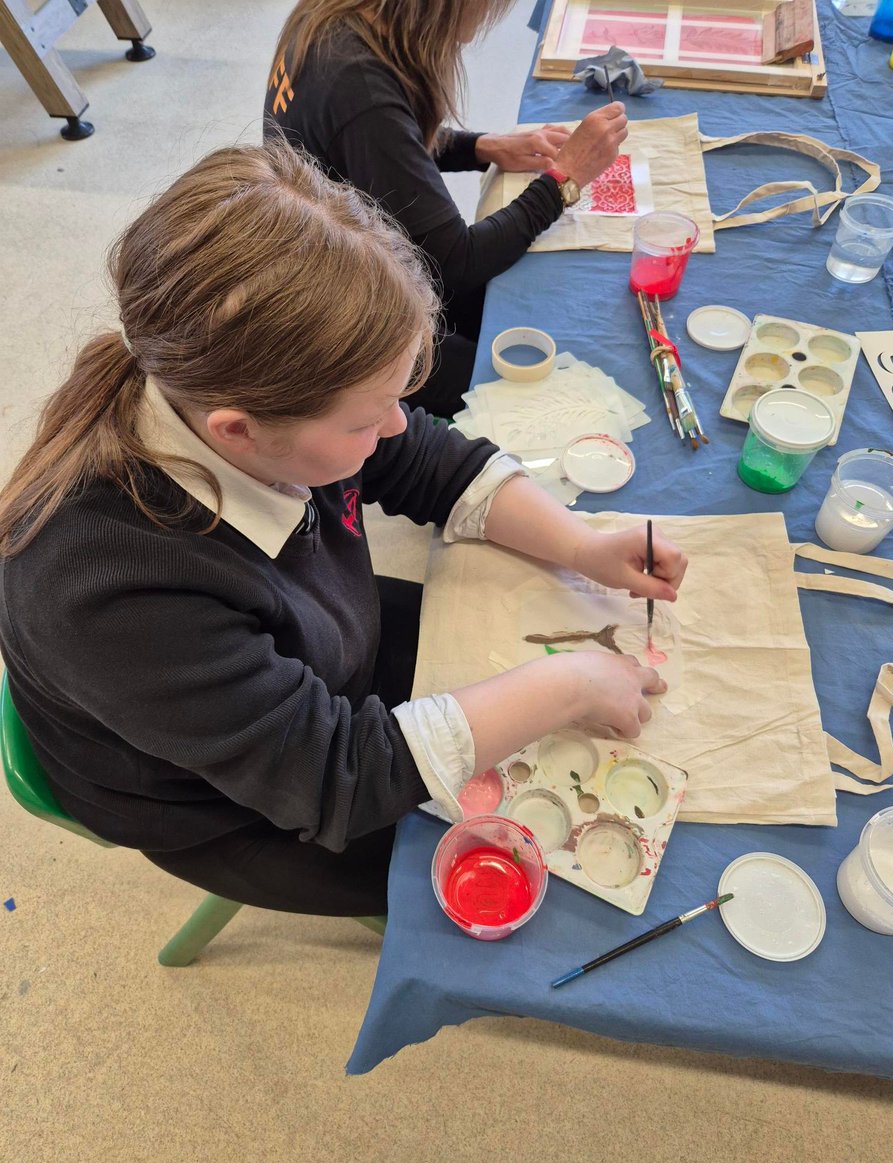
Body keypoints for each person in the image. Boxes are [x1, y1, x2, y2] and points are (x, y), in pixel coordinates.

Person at [0, 142, 685, 917]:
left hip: (303, 654)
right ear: (237, 433)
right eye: (368, 417)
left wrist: (582, 546)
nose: (394, 423)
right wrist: (569, 684)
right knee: (511, 879)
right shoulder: (108, 598)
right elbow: (336, 778)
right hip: (222, 804)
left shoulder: (264, 401)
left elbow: (421, 455)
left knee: (502, 649)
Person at [264, 0, 628, 418]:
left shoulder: (330, 19)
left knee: (525, 310)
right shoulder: (359, 85)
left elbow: (375, 146)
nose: (488, 18)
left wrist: (479, 146)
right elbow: (458, 261)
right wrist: (564, 180)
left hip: (324, 265)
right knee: (534, 390)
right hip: (343, 324)